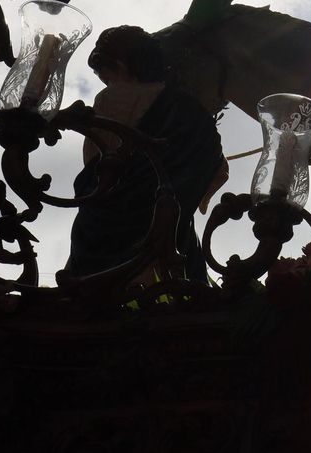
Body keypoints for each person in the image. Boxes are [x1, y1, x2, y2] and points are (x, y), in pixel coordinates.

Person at [61, 25, 227, 284]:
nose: (107, 83)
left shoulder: (111, 98)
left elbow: (98, 161)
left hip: (107, 235)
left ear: (122, 65)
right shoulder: (193, 112)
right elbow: (217, 169)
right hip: (171, 230)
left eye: (107, 75)